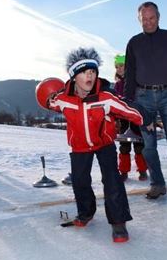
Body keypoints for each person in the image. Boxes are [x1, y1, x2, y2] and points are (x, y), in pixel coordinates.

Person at [48, 47, 153, 243]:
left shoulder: (105, 97)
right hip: (79, 146)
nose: (90, 75)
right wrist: (47, 97)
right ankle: (85, 213)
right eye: (84, 72)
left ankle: (118, 221)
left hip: (104, 143)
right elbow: (50, 101)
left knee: (112, 180)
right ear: (73, 77)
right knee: (80, 181)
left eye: (93, 71)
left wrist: (144, 118)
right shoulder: (64, 99)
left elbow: (127, 108)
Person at [124, 1, 167, 205]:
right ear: (139, 20)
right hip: (143, 98)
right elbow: (129, 74)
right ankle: (157, 184)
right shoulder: (134, 43)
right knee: (148, 147)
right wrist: (130, 104)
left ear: (159, 17)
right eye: (144, 19)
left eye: (151, 18)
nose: (148, 22)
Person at [113, 54, 148, 182]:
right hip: (123, 118)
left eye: (121, 65)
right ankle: (123, 171)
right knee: (124, 146)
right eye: (116, 67)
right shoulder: (117, 85)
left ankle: (143, 170)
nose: (118, 68)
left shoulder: (135, 81)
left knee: (139, 146)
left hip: (135, 117)